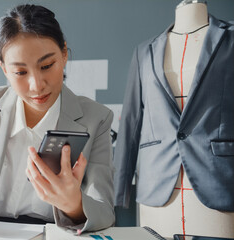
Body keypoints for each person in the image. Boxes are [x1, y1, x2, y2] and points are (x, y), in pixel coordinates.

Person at [0, 4, 115, 233]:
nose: (36, 85)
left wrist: (74, 204)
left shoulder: (96, 118)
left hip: (54, 232)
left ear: (64, 54)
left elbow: (104, 210)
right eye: (20, 72)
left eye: (47, 65)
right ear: (4, 69)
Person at [113, 1, 234, 238]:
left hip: (219, 181)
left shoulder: (229, 39)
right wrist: (119, 191)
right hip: (157, 187)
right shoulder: (144, 51)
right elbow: (130, 123)